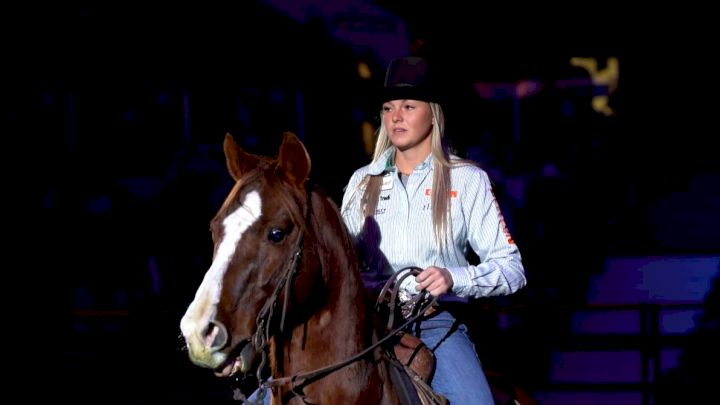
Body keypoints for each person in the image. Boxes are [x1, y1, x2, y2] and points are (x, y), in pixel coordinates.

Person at [340, 55, 527, 404]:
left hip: (433, 324)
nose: (396, 116)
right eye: (388, 107)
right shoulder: (361, 183)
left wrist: (454, 278)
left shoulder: (467, 181)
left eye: (409, 106)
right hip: (364, 326)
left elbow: (513, 270)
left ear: (433, 113)